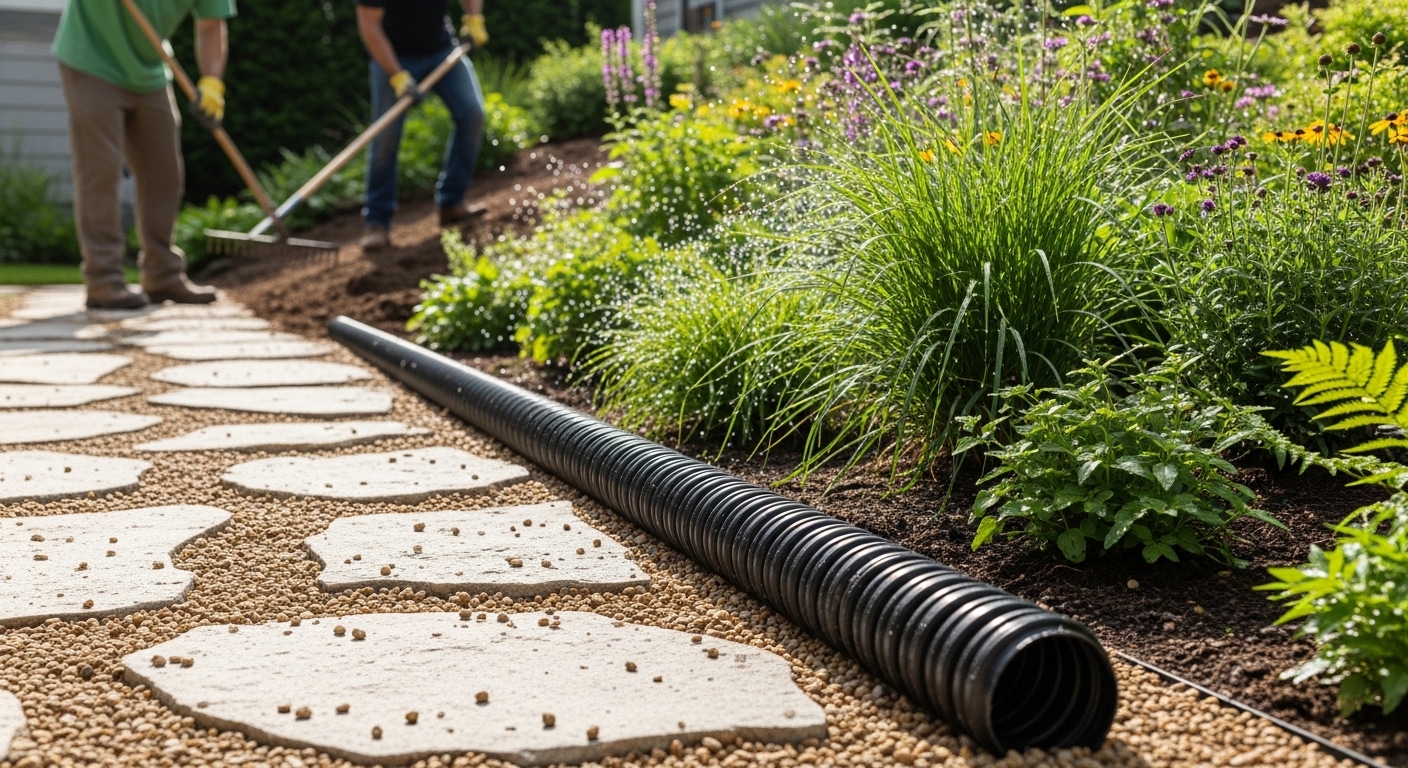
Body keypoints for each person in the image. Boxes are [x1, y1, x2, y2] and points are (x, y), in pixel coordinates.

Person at [53, 0, 232, 309]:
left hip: (150, 71)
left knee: (164, 173)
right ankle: (103, 280)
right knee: (101, 171)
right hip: (90, 60)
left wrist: (212, 82)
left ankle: (162, 275)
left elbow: (210, 25)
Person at [355, 0, 489, 251]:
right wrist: (397, 75)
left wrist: (474, 18)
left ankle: (452, 201)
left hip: (441, 50)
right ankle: (377, 222)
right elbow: (369, 25)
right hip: (394, 56)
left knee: (472, 113)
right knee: (386, 137)